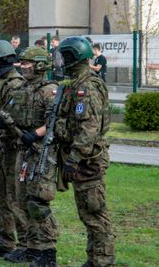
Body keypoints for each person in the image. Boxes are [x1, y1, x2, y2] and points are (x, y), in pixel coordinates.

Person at [56, 37, 115, 267]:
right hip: (82, 159)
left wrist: (74, 158)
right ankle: (94, 259)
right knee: (87, 213)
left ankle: (102, 260)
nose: (61, 61)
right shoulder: (76, 83)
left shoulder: (87, 86)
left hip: (88, 160)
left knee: (95, 213)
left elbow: (89, 129)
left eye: (64, 56)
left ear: (73, 57)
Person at [2, 47, 59, 266]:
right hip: (23, 150)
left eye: (28, 63)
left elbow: (54, 123)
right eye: (22, 63)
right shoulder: (23, 89)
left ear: (41, 65)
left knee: (38, 202)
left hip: (41, 151)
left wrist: (36, 134)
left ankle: (47, 250)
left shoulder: (49, 91)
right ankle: (31, 246)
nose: (23, 67)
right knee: (20, 200)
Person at [0, 40, 27, 257]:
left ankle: (24, 245)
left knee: (14, 199)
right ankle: (4, 241)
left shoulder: (16, 84)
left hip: (10, 149)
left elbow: (12, 124)